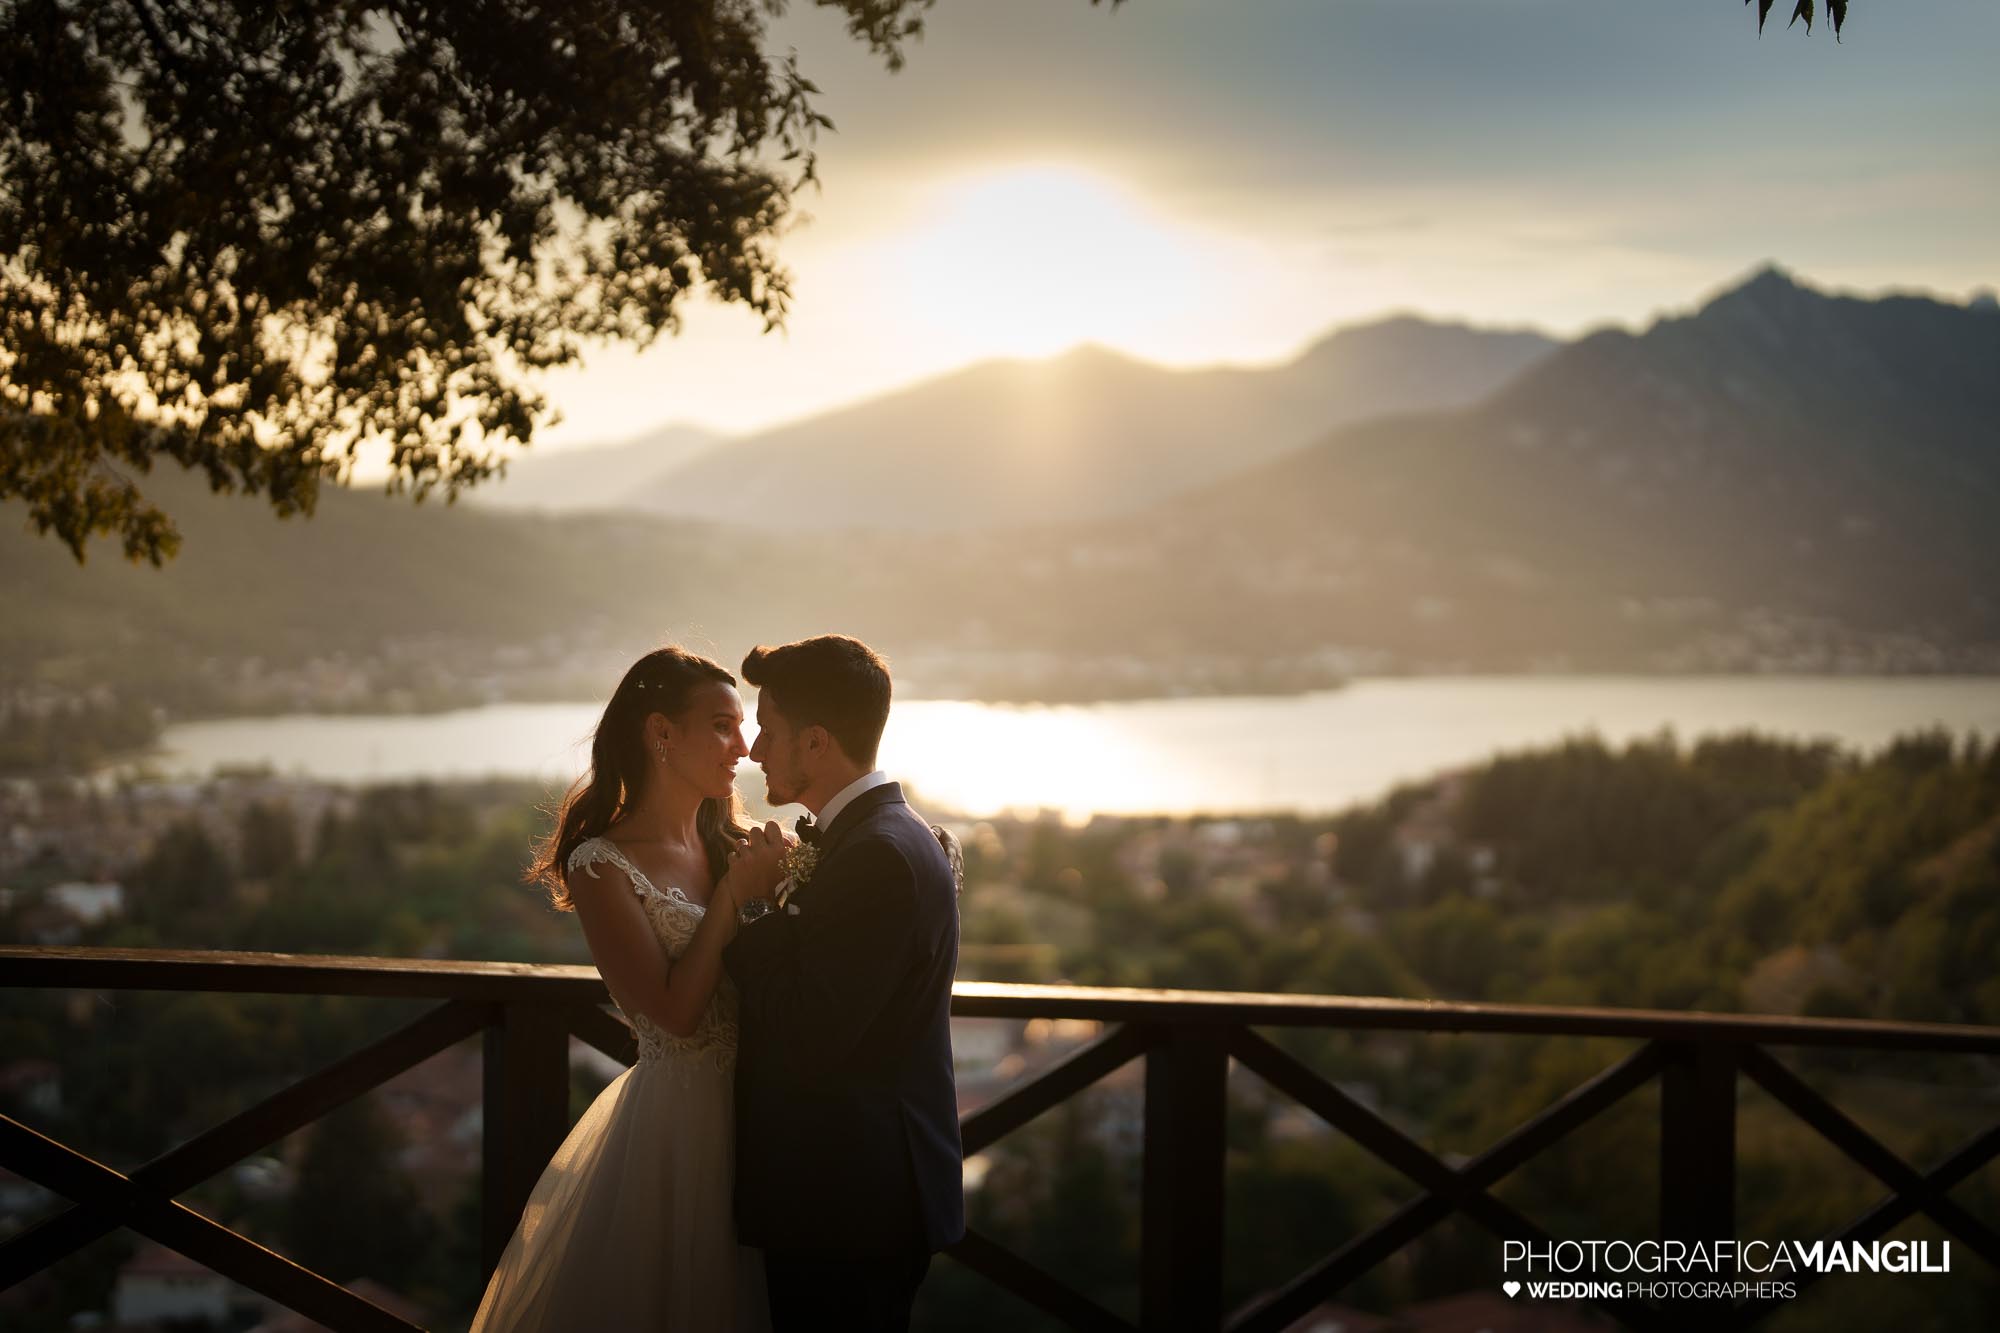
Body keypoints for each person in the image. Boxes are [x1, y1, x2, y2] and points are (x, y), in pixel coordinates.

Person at [470, 646, 788, 1331]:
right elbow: (673, 1012)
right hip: (680, 1132)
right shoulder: (600, 862)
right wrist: (733, 897)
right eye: (722, 725)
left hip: (767, 1122)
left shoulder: (737, 844)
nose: (745, 746)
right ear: (660, 732)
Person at [724, 634, 966, 1333]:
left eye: (769, 729)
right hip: (854, 1195)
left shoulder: (878, 857)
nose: (754, 748)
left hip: (848, 1201)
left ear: (816, 743)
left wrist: (757, 905)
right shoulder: (885, 835)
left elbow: (805, 1033)